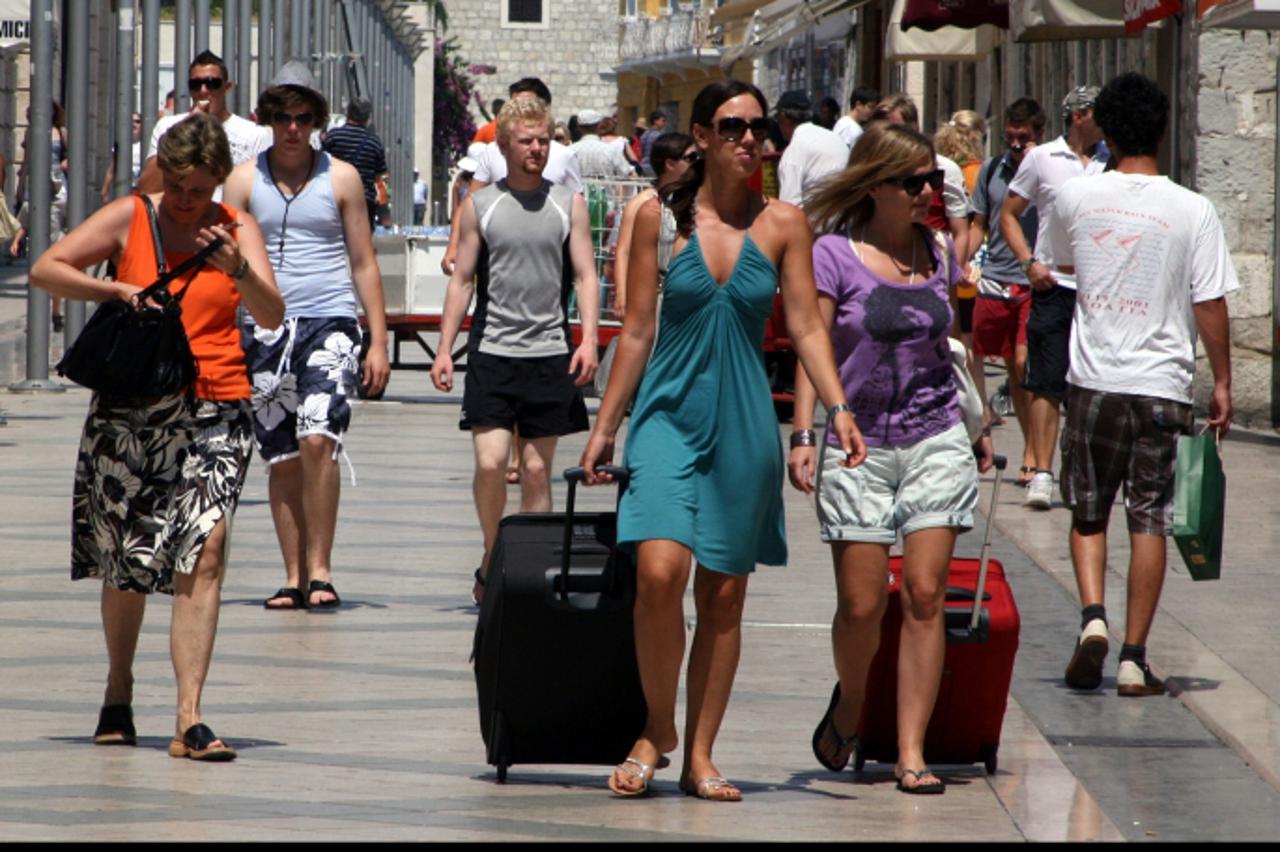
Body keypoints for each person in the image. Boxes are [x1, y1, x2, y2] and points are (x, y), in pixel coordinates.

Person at [579, 80, 861, 802]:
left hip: (743, 428)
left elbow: (804, 327)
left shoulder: (785, 224)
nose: (749, 141)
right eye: (733, 127)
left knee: (725, 596)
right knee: (657, 575)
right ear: (699, 136)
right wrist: (606, 427)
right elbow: (636, 330)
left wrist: (834, 410)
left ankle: (701, 753)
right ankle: (656, 727)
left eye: (758, 128)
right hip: (668, 416)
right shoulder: (655, 217)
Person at [29, 112, 283, 761]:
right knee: (127, 560)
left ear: (219, 183)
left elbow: (273, 314)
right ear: (163, 176)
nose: (188, 201)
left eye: (200, 190)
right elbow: (46, 269)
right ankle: (119, 689)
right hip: (132, 408)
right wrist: (114, 287)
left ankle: (191, 717)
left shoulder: (236, 230)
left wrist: (240, 271)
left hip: (216, 405)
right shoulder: (131, 216)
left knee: (207, 549)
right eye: (179, 188)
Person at [789, 121, 993, 797]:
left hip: (936, 436)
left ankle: (910, 750)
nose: (930, 192)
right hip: (859, 445)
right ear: (876, 186)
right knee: (861, 606)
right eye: (914, 182)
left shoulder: (938, 250)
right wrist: (803, 432)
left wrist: (982, 421)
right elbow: (811, 342)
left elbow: (956, 342)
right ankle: (852, 703)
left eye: (934, 180)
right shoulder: (832, 254)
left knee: (927, 596)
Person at [1043, 73, 1235, 697]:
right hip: (1162, 385)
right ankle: (1132, 657)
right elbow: (1209, 303)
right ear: (1162, 129)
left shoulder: (1075, 197)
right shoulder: (1193, 208)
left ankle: (1093, 618)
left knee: (1089, 510)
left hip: (1093, 380)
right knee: (1149, 517)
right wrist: (1224, 382)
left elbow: (1061, 262)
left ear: (1103, 131)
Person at [224, 60, 391, 611]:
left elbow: (364, 261)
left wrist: (379, 339)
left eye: (302, 116)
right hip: (263, 326)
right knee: (282, 456)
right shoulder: (244, 179)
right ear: (267, 119)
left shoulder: (340, 176)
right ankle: (293, 575)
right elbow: (223, 264)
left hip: (331, 319)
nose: (291, 127)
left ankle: (321, 569)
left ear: (317, 120)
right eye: (281, 116)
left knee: (318, 437)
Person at [430, 96, 600, 606]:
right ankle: (492, 552)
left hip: (549, 352)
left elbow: (588, 277)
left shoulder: (566, 203)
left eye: (544, 139)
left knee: (534, 471)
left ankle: (532, 572)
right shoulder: (482, 205)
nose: (537, 149)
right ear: (503, 144)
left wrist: (588, 339)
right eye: (527, 140)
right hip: (493, 351)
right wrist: (444, 349)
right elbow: (461, 280)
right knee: (489, 464)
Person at [999, 86, 1106, 510]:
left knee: (1094, 382)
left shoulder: (1110, 160)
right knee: (1045, 379)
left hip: (1100, 290)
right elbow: (1009, 214)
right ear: (1079, 115)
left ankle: (1084, 468)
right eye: (1101, 113)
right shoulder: (1043, 159)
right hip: (1054, 286)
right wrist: (1029, 264)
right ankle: (1042, 471)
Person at [969, 97, 1047, 485]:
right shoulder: (990, 171)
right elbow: (978, 222)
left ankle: (1036, 452)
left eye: (1024, 139)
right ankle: (1032, 444)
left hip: (1036, 278)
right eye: (1010, 139)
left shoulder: (1050, 170)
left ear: (1040, 134)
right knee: (1011, 368)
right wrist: (962, 260)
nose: (1016, 147)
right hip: (996, 277)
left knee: (1022, 362)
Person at [440, 77, 583, 276]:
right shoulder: (492, 152)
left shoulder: (565, 156)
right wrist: (453, 245)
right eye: (513, 105)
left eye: (524, 104)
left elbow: (578, 212)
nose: (517, 110)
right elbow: (469, 203)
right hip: (497, 261)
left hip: (548, 264)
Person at [138, 51, 272, 196]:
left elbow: (264, 191)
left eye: (212, 84)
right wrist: (186, 130)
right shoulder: (168, 126)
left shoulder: (254, 134)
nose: (203, 91)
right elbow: (147, 188)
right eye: (195, 84)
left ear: (226, 88)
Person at [871, 95, 970, 264]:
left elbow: (960, 232)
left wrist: (950, 278)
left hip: (928, 263)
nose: (926, 191)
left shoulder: (945, 168)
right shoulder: (872, 172)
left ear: (914, 127)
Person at [611, 132, 695, 320]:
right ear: (670, 164)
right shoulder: (641, 203)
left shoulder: (698, 201)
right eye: (690, 158)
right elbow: (624, 251)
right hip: (654, 298)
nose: (696, 163)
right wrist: (622, 295)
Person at [11, 100, 69, 329]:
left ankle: (55, 310)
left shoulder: (60, 132)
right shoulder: (31, 132)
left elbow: (70, 155)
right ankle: (43, 312)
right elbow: (26, 161)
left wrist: (65, 163)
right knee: (38, 251)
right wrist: (21, 184)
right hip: (36, 189)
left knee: (53, 250)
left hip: (57, 188)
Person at [321, 97, 391, 232]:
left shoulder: (333, 137)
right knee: (361, 246)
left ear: (348, 112)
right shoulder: (374, 143)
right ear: (368, 117)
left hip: (335, 196)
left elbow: (320, 164)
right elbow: (380, 176)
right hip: (364, 201)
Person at [774, 90, 851, 209]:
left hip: (817, 225)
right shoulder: (834, 138)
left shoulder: (793, 153)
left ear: (783, 117)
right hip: (847, 223)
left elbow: (788, 210)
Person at [570, 109, 636, 179]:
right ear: (599, 125)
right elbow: (629, 174)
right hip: (606, 189)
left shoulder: (570, 150)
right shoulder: (610, 150)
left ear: (579, 127)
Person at [101, 112, 145, 205]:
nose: (134, 124)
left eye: (137, 122)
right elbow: (111, 170)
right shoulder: (121, 145)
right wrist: (104, 191)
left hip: (140, 191)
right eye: (131, 121)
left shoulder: (145, 145)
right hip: (124, 190)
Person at [638, 110, 668, 175]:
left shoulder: (644, 134)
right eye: (663, 121)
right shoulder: (659, 135)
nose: (665, 123)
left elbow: (640, 153)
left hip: (643, 165)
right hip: (654, 166)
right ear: (655, 121)